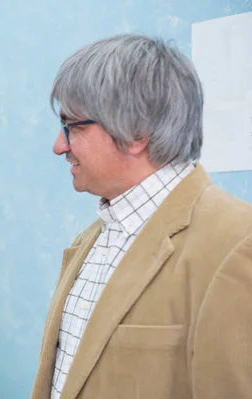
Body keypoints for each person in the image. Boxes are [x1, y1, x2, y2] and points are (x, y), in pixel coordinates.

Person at [31, 33, 252, 399]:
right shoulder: (90, 241)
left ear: (136, 132)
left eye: (74, 126)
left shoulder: (237, 245)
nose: (59, 145)